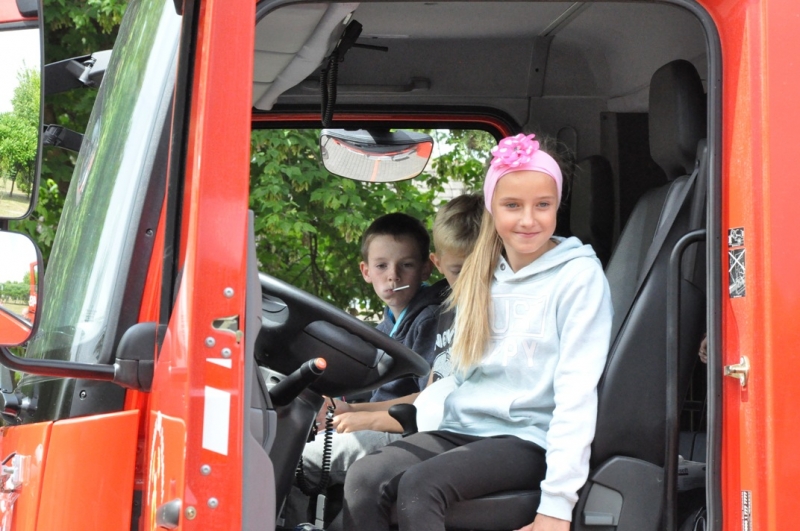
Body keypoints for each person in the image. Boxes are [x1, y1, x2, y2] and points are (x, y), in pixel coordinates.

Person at [341, 133, 614, 531]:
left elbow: (577, 396)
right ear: (491, 209)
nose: (528, 219)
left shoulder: (578, 277)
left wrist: (556, 506)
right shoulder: (483, 275)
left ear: (558, 205)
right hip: (462, 428)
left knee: (420, 486)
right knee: (364, 478)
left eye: (543, 205)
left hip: (528, 437)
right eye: (512, 205)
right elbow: (460, 376)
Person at [284, 211, 446, 527]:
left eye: (406, 265)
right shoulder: (386, 326)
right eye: (382, 266)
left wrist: (358, 413)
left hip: (403, 430)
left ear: (426, 268)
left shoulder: (429, 318)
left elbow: (429, 397)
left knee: (295, 460)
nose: (393, 276)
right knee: (295, 440)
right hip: (377, 424)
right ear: (366, 271)